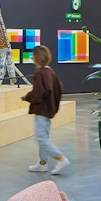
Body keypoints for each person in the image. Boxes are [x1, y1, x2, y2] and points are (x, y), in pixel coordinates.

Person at [22, 44, 70, 175]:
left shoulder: (39, 73)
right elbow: (58, 88)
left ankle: (60, 158)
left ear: (36, 58)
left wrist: (27, 97)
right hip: (48, 111)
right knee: (44, 137)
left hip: (41, 111)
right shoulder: (51, 72)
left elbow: (38, 94)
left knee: (41, 138)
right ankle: (43, 163)